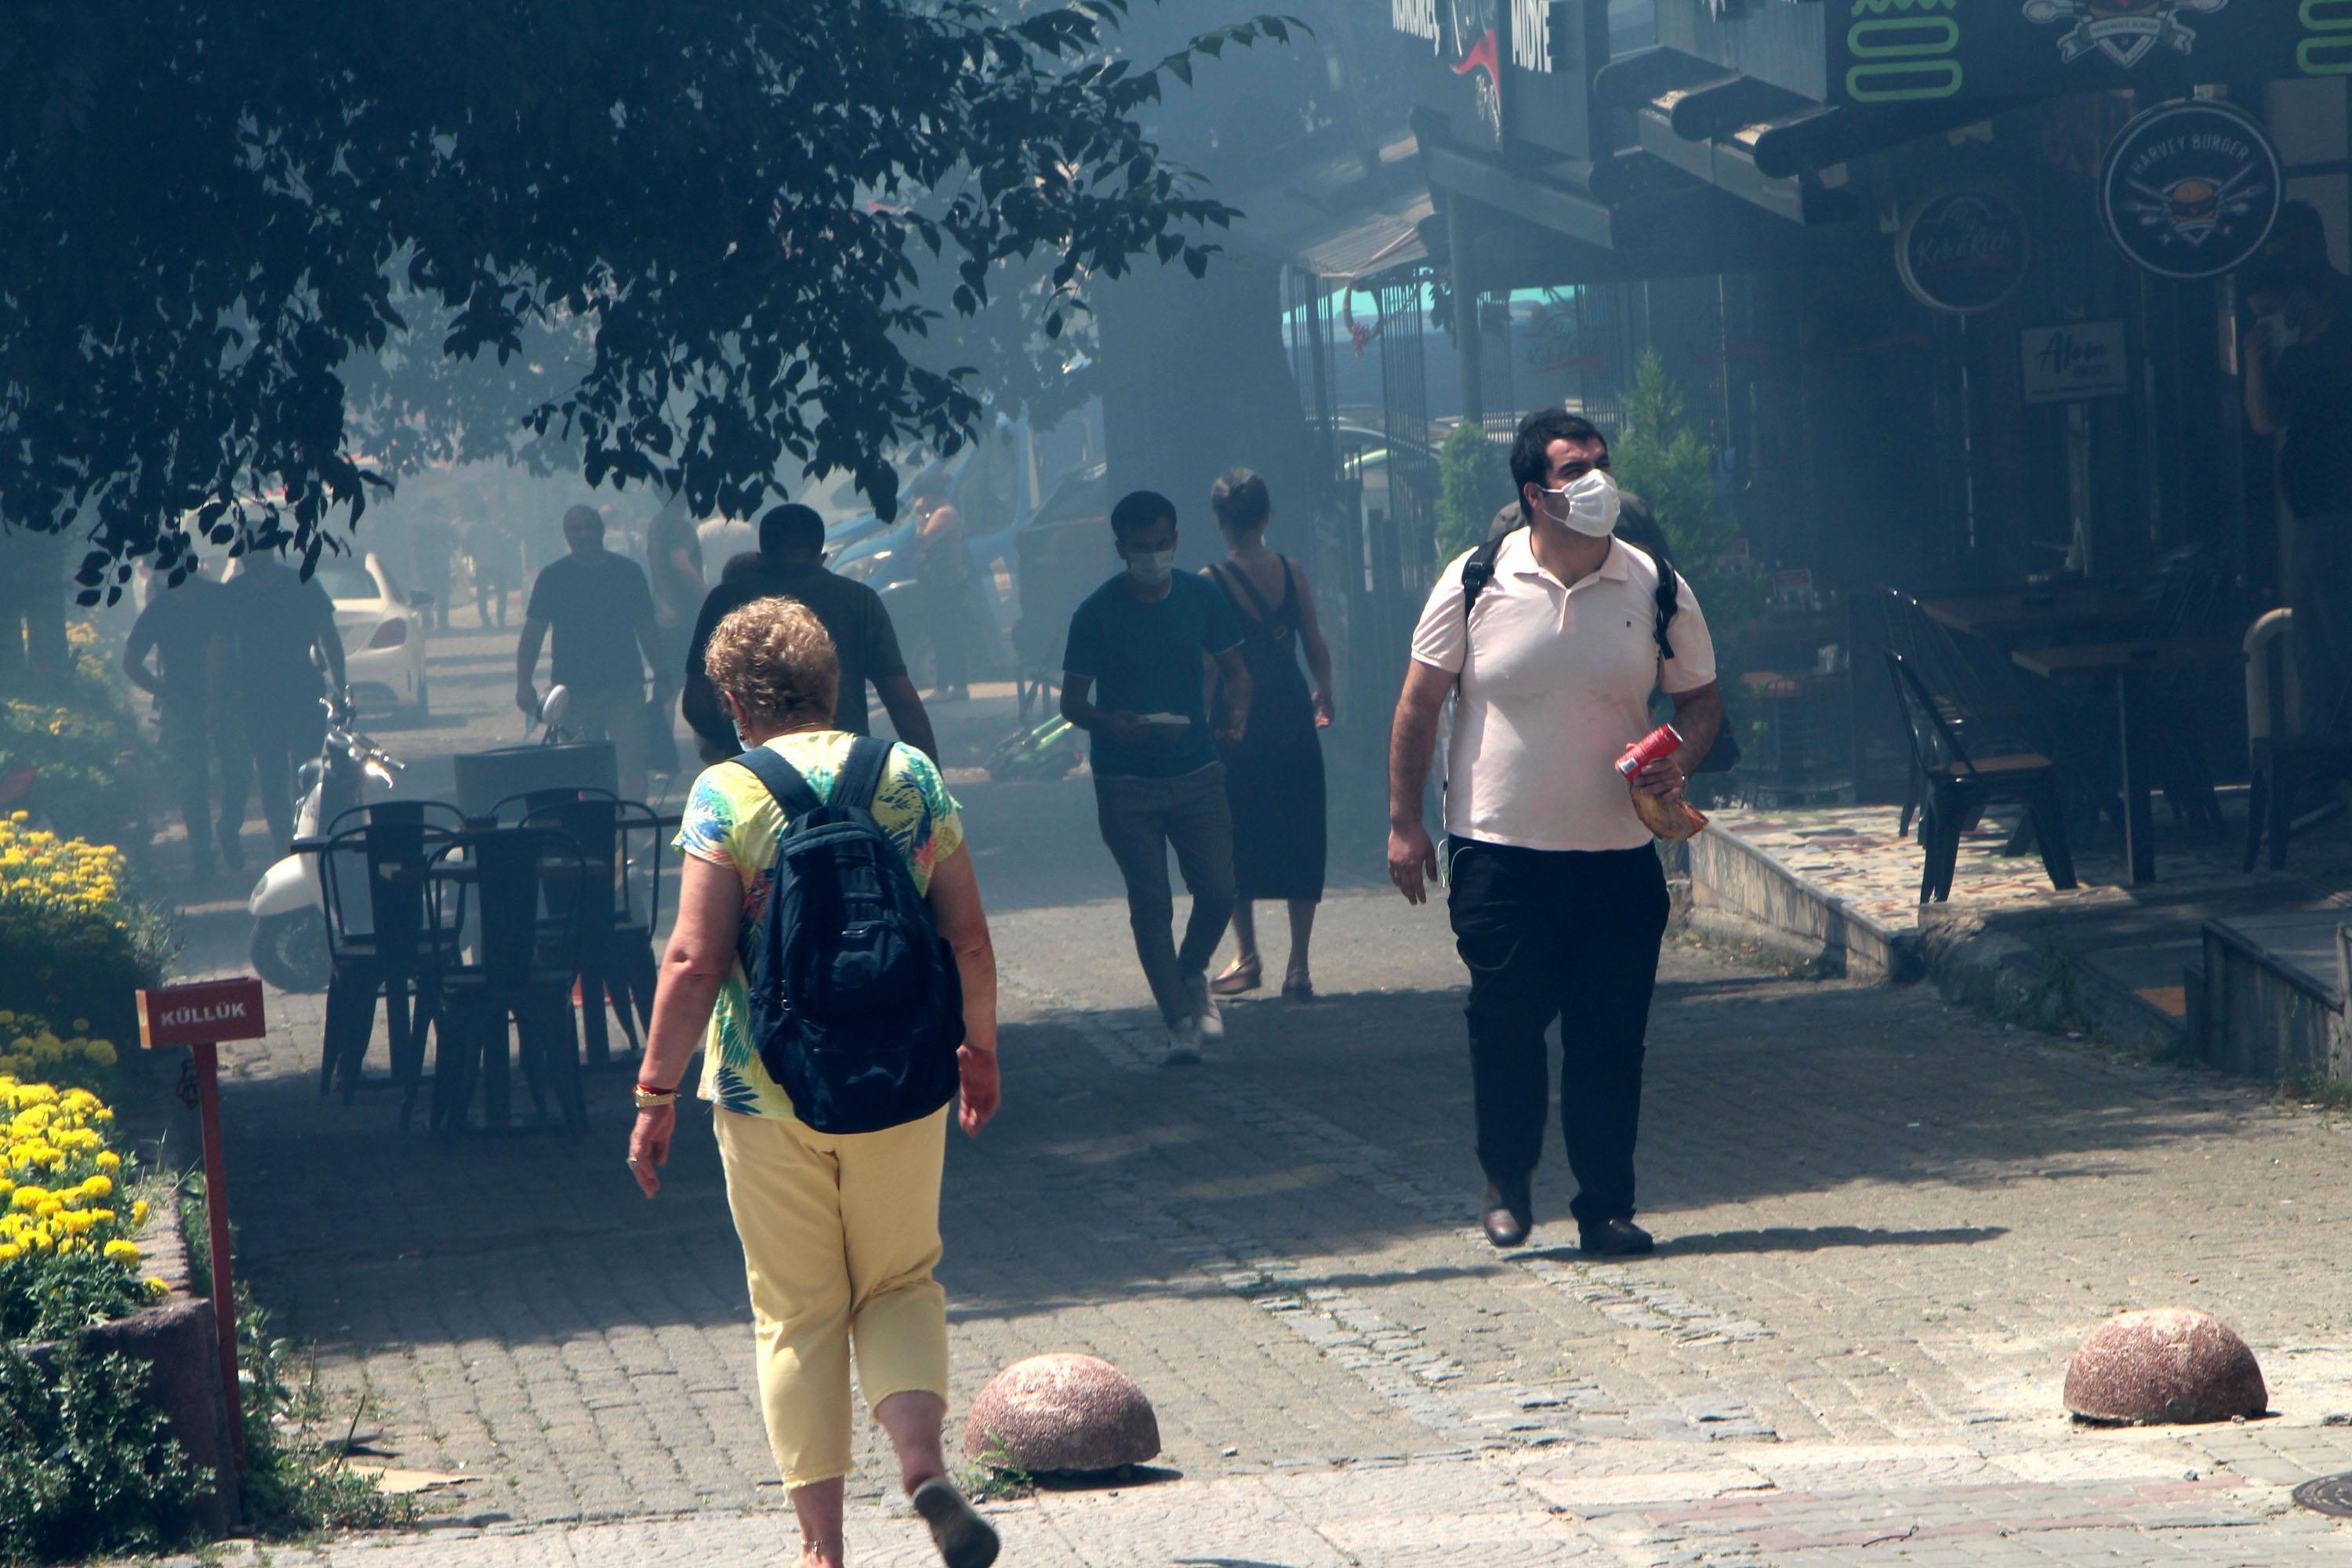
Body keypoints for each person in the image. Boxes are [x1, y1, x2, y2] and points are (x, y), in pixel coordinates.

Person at [626, 595, 1003, 1568]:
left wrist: (655, 1093)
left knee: (796, 1310)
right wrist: (980, 1049)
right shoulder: (908, 775)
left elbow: (694, 961)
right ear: (832, 681)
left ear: (732, 700)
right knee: (899, 1279)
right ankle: (922, 1467)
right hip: (904, 1079)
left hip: (765, 1092)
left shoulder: (727, 793)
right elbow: (966, 933)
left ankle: (822, 1549)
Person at [1388, 408, 1723, 1257]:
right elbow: (1420, 703)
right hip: (1498, 851)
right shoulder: (1473, 580)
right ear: (1536, 493)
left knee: (1610, 1036)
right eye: (1577, 469)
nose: (1597, 481)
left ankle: (1606, 1205)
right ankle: (1505, 1176)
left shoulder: (1655, 584)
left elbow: (1702, 700)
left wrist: (1675, 761)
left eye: (1603, 462)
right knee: (1505, 1022)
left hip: (1616, 854)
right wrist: (1404, 823)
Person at [1060, 489, 1252, 1066]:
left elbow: (1238, 672)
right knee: (1150, 902)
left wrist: (1237, 717)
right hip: (1125, 780)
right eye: (1141, 547)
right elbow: (1073, 703)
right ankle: (1177, 1023)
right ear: (1120, 549)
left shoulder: (1201, 596)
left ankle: (1190, 970)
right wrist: (1110, 722)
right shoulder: (1095, 613)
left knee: (1218, 890)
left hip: (1197, 768)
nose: (1153, 555)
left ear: (1176, 539)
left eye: (1162, 543)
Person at [1202, 470, 1334, 1003]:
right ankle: (1299, 965)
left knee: (1235, 828)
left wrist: (1198, 719)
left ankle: (1247, 953)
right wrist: (1325, 691)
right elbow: (1314, 642)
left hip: (1238, 714)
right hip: (1288, 708)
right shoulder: (1291, 570)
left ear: (1219, 521)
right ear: (1267, 515)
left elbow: (1210, 663)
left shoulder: (1208, 581)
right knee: (1302, 823)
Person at [681, 503, 938, 764]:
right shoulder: (858, 600)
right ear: (822, 556)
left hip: (757, 771)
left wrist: (735, 745)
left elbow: (696, 703)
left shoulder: (726, 600)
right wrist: (931, 778)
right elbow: (902, 701)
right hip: (845, 769)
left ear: (760, 557)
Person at [2244, 252, 2352, 739]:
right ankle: (2325, 772)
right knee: (2314, 658)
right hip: (2310, 520)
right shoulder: (2297, 355)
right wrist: (2254, 361)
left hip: (2338, 516)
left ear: (2303, 298)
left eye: (2272, 311)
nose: (2269, 323)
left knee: (2339, 648)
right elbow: (2265, 420)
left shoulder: (2338, 349)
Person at [515, 505, 669, 802]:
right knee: (584, 767)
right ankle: (595, 828)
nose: (584, 534)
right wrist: (524, 683)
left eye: (590, 527)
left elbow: (647, 629)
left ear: (601, 531)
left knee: (632, 762)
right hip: (574, 691)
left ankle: (633, 826)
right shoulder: (553, 577)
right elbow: (533, 634)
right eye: (576, 529)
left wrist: (662, 674)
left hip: (625, 684)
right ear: (567, 536)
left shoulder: (627, 573)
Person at [219, 551, 347, 855]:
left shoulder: (302, 583)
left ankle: (308, 834)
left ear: (268, 552)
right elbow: (221, 647)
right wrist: (222, 693)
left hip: (302, 693)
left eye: (253, 552)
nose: (248, 560)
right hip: (256, 698)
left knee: (307, 770)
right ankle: (283, 842)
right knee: (271, 774)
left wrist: (341, 687)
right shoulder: (235, 593)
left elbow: (329, 637)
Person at [122, 564, 240, 877]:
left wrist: (170, 694)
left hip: (224, 702)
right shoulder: (162, 608)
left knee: (234, 774)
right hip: (192, 705)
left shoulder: (218, 599)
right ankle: (202, 849)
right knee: (196, 780)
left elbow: (221, 648)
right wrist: (163, 692)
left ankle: (226, 829)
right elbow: (130, 662)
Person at [910, 476, 981, 702]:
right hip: (940, 582)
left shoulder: (944, 514)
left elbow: (923, 541)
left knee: (946, 634)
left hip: (946, 583)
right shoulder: (941, 513)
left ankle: (950, 686)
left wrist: (920, 517)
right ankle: (953, 685)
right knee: (942, 633)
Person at [644, 495, 707, 680]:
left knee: (670, 677)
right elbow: (680, 559)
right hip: (686, 610)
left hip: (663, 610)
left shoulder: (656, 524)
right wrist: (705, 592)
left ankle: (665, 709)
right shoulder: (681, 526)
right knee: (693, 675)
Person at [466, 517, 519, 630]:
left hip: (480, 565)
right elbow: (503, 544)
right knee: (501, 592)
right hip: (497, 563)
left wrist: (474, 556)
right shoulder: (495, 527)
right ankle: (501, 619)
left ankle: (485, 620)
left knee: (482, 594)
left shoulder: (471, 529)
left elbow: (467, 547)